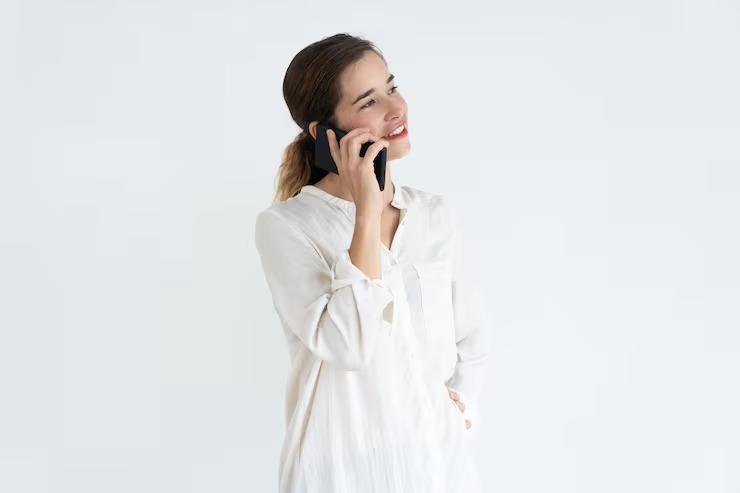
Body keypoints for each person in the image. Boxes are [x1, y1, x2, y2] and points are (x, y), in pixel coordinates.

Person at [254, 33, 489, 493]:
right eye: (369, 101)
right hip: (342, 477)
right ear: (326, 135)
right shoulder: (286, 228)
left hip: (439, 472)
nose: (396, 108)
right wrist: (367, 210)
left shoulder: (436, 216)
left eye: (392, 87)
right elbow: (349, 347)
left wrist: (462, 412)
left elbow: (472, 338)